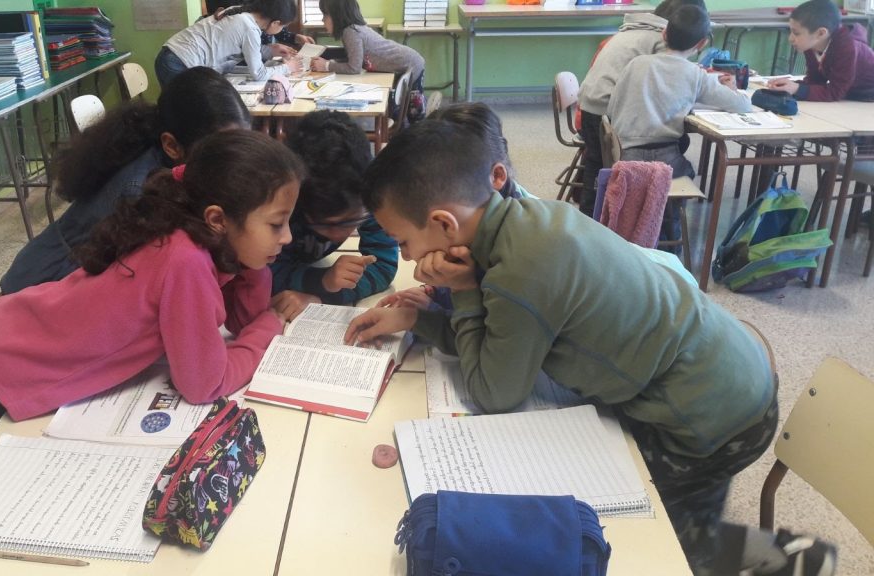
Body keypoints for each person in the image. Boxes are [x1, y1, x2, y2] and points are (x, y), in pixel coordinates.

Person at [344, 120, 836, 576]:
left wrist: (465, 291)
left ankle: (794, 559)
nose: (406, 255)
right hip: (722, 372)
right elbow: (504, 340)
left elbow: (494, 391)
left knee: (654, 541)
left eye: (402, 242)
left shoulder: (521, 270)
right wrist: (419, 319)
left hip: (710, 418)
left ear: (444, 223)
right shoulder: (528, 218)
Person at [0, 130, 303, 511]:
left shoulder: (197, 236)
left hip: (8, 341)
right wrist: (270, 325)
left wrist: (255, 271)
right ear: (217, 219)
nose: (286, 237)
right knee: (13, 503)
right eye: (275, 224)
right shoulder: (186, 261)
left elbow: (242, 322)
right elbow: (205, 384)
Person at [0, 67, 251, 295]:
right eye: (218, 151)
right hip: (43, 286)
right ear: (172, 146)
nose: (232, 160)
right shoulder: (139, 191)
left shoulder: (169, 162)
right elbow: (145, 281)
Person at [608, 4, 750, 252]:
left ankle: (650, 225)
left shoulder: (636, 64)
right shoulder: (695, 74)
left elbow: (612, 108)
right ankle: (666, 238)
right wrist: (732, 88)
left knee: (677, 166)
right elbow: (742, 106)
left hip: (622, 155)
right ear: (702, 44)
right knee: (686, 171)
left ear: (664, 34)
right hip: (664, 159)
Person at [376, 102, 531, 311]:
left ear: (496, 175)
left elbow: (492, 324)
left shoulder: (515, 261)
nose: (405, 255)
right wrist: (435, 292)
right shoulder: (471, 222)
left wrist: (440, 307)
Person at [577, 0, 708, 217]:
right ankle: (649, 207)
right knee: (676, 140)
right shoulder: (661, 41)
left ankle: (589, 214)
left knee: (596, 161)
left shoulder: (631, 30)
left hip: (590, 107)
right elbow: (669, 89)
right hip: (608, 110)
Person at [269, 110, 398, 320]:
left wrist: (322, 294)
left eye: (350, 221)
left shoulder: (367, 195)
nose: (338, 235)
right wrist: (321, 280)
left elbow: (384, 265)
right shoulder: (283, 200)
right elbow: (263, 273)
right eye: (324, 225)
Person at [309, 0, 426, 121]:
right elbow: (353, 56)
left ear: (337, 15)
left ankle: (421, 129)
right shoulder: (354, 29)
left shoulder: (351, 32)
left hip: (412, 64)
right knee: (400, 111)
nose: (322, 20)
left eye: (325, 15)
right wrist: (328, 59)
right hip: (408, 63)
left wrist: (326, 66)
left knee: (414, 114)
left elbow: (354, 68)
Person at [155, 0, 302, 87]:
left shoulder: (240, 13)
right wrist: (287, 67)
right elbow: (259, 74)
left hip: (172, 55)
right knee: (181, 112)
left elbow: (239, 45)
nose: (282, 29)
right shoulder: (250, 28)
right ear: (275, 22)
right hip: (179, 61)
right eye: (283, 26)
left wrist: (270, 50)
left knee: (178, 111)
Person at [768, 0, 874, 102]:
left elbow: (835, 92)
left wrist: (797, 89)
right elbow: (815, 81)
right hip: (852, 95)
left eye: (796, 33)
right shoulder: (812, 44)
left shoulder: (847, 47)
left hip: (868, 97)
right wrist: (788, 85)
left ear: (821, 33)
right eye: (790, 31)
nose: (790, 38)